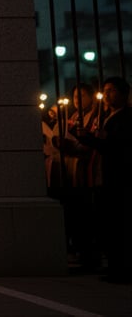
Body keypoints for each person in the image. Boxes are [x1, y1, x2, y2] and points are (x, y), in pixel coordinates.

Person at [75, 77, 131, 283]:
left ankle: (122, 268)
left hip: (119, 177)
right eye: (105, 90)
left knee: (120, 224)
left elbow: (115, 146)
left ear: (124, 94)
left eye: (112, 91)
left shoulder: (125, 118)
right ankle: (115, 266)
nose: (107, 95)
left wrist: (92, 139)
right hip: (106, 176)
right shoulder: (109, 116)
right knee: (110, 224)